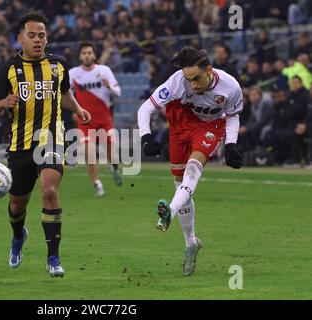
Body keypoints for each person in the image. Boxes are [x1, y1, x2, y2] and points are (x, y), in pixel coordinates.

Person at [0, 13, 91, 277]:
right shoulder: (7, 69)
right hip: (20, 145)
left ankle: (53, 258)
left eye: (42, 35)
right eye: (31, 35)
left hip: (52, 138)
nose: (38, 40)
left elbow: (63, 92)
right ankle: (18, 235)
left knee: (50, 191)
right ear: (20, 38)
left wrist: (77, 108)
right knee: (17, 205)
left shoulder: (58, 65)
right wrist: (3, 103)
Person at [137, 47, 243, 276]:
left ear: (209, 70)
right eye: (189, 79)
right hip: (178, 130)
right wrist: (145, 137)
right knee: (180, 185)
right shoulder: (177, 82)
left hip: (209, 127)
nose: (193, 85)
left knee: (192, 173)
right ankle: (191, 243)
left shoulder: (231, 86)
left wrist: (231, 144)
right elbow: (145, 108)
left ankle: (169, 213)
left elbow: (233, 116)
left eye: (197, 78)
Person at [69, 42, 122, 197]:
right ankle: (97, 184)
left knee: (113, 155)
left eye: (89, 52)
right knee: (89, 152)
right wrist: (74, 109)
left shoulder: (104, 70)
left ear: (94, 55)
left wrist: (109, 87)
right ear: (80, 56)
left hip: (104, 119)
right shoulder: (73, 73)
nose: (87, 55)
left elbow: (118, 92)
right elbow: (67, 94)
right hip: (85, 120)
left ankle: (114, 167)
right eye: (84, 53)